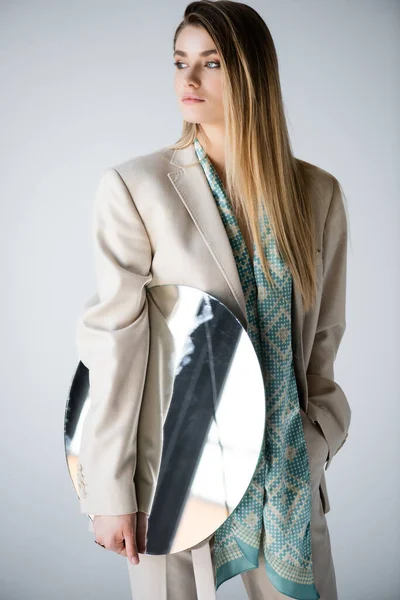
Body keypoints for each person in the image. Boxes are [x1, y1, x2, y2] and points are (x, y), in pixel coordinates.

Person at [75, 1, 351, 599]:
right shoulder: (137, 188)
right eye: (180, 62)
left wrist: (317, 437)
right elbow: (117, 349)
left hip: (285, 482)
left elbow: (324, 347)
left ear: (251, 75)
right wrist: (110, 492)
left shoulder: (318, 195)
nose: (189, 81)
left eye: (211, 63)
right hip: (174, 483)